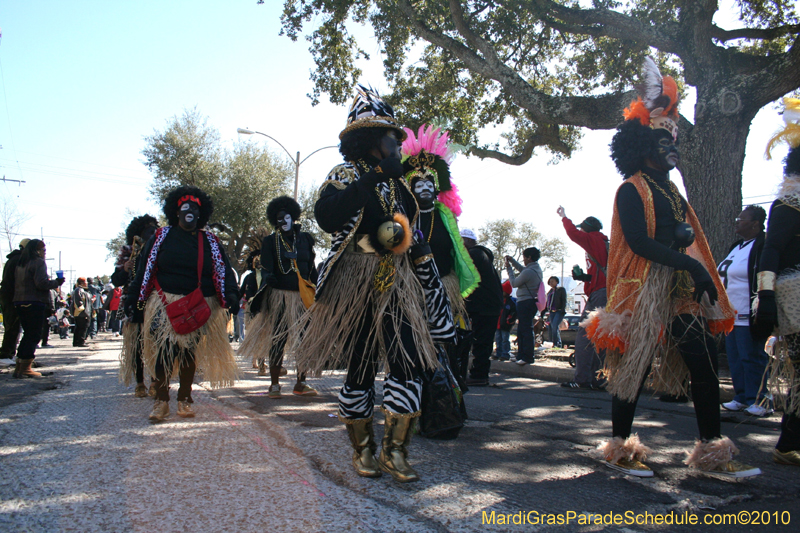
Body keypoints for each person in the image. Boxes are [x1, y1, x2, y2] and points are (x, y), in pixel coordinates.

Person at [586, 57, 759, 478]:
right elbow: (641, 244)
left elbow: (689, 236)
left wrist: (702, 274)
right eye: (664, 141)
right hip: (643, 291)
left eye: (673, 140)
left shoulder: (672, 190)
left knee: (701, 365)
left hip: (680, 290)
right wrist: (691, 265)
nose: (671, 147)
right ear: (643, 147)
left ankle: (712, 454)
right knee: (635, 368)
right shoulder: (630, 190)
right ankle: (621, 450)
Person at [293, 85, 453, 482]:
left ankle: (395, 451)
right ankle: (362, 449)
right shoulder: (347, 174)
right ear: (370, 140)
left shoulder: (402, 186)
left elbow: (413, 233)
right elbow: (328, 216)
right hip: (357, 280)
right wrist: (377, 176)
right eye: (389, 137)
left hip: (399, 282)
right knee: (362, 363)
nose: (397, 144)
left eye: (397, 138)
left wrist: (430, 273)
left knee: (408, 362)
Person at [128, 185, 240, 421]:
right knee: (164, 353)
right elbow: (144, 271)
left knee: (188, 352)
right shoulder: (161, 238)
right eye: (185, 208)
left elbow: (223, 271)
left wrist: (231, 296)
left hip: (197, 306)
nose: (189, 212)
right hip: (164, 303)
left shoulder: (210, 241)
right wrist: (135, 301)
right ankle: (161, 401)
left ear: (201, 215)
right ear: (176, 212)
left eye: (194, 209)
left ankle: (185, 399)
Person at [753, 97, 800, 467]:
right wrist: (765, 296)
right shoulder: (788, 203)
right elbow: (771, 251)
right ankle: (787, 441)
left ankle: (789, 440)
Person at [239, 195, 318, 399]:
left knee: (304, 339)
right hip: (280, 297)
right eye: (279, 219)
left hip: (302, 297)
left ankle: (301, 383)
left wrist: (319, 289)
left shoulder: (305, 240)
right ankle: (274, 384)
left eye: (287, 217)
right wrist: (268, 277)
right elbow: (266, 268)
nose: (283, 221)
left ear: (294, 218)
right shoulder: (270, 241)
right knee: (279, 338)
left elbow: (311, 268)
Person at [717, 205, 772, 416]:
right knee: (735, 358)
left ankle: (760, 400)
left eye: (742, 219)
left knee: (752, 356)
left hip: (750, 313)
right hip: (731, 314)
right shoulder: (737, 246)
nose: (737, 221)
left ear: (755, 224)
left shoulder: (762, 246)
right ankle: (741, 397)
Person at [557, 208, 609, 389]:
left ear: (587, 229)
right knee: (600, 337)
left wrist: (564, 217)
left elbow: (573, 233)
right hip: (606, 291)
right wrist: (584, 278)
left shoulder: (593, 239)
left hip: (600, 294)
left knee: (584, 336)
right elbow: (601, 273)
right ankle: (598, 379)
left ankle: (582, 379)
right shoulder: (604, 242)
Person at [115, 214, 159, 397]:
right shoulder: (128, 251)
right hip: (133, 303)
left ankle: (156, 381)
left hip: (155, 301)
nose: (152, 232)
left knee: (156, 342)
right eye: (148, 229)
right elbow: (116, 279)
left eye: (154, 229)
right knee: (136, 344)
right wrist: (125, 268)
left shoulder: (160, 248)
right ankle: (140, 382)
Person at [12, 239, 65, 377]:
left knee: (27, 334)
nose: (45, 253)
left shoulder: (21, 263)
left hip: (19, 301)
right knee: (34, 335)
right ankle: (25, 368)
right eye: (44, 250)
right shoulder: (39, 262)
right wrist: (56, 282)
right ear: (37, 250)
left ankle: (20, 366)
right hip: (34, 302)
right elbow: (41, 283)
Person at [461, 228, 503, 386]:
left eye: (462, 240)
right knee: (480, 340)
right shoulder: (480, 255)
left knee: (482, 341)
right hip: (484, 305)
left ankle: (479, 375)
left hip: (485, 306)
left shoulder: (475, 254)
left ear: (470, 241)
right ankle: (478, 373)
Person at [504, 247, 543, 366]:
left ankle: (527, 356)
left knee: (525, 330)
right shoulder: (535, 269)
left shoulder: (528, 272)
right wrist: (513, 261)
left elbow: (514, 283)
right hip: (531, 301)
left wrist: (509, 268)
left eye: (524, 257)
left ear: (529, 257)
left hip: (525, 301)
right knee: (523, 329)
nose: (524, 260)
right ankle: (521, 355)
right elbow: (523, 270)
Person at [0, 238, 30, 363]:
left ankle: (9, 352)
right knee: (12, 326)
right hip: (11, 297)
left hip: (9, 296)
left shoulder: (14, 259)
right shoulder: (18, 260)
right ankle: (5, 354)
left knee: (13, 326)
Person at [493, 280, 516, 361]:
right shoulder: (499, 300)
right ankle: (498, 353)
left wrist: (510, 319)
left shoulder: (511, 302)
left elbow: (514, 313)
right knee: (498, 340)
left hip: (505, 324)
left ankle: (505, 354)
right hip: (498, 324)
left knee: (505, 340)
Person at [545, 276, 567, 349]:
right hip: (552, 312)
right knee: (551, 327)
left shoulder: (561, 290)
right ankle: (553, 343)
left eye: (553, 281)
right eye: (550, 282)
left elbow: (564, 300)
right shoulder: (550, 292)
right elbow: (547, 302)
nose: (551, 283)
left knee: (555, 326)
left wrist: (563, 310)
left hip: (559, 311)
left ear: (557, 282)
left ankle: (557, 344)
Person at [72, 278, 92, 348]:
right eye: (85, 282)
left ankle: (76, 342)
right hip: (81, 312)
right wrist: (82, 309)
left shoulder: (82, 290)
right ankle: (81, 341)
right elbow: (79, 301)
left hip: (81, 312)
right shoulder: (79, 290)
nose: (87, 283)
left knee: (79, 327)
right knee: (83, 327)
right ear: (82, 283)